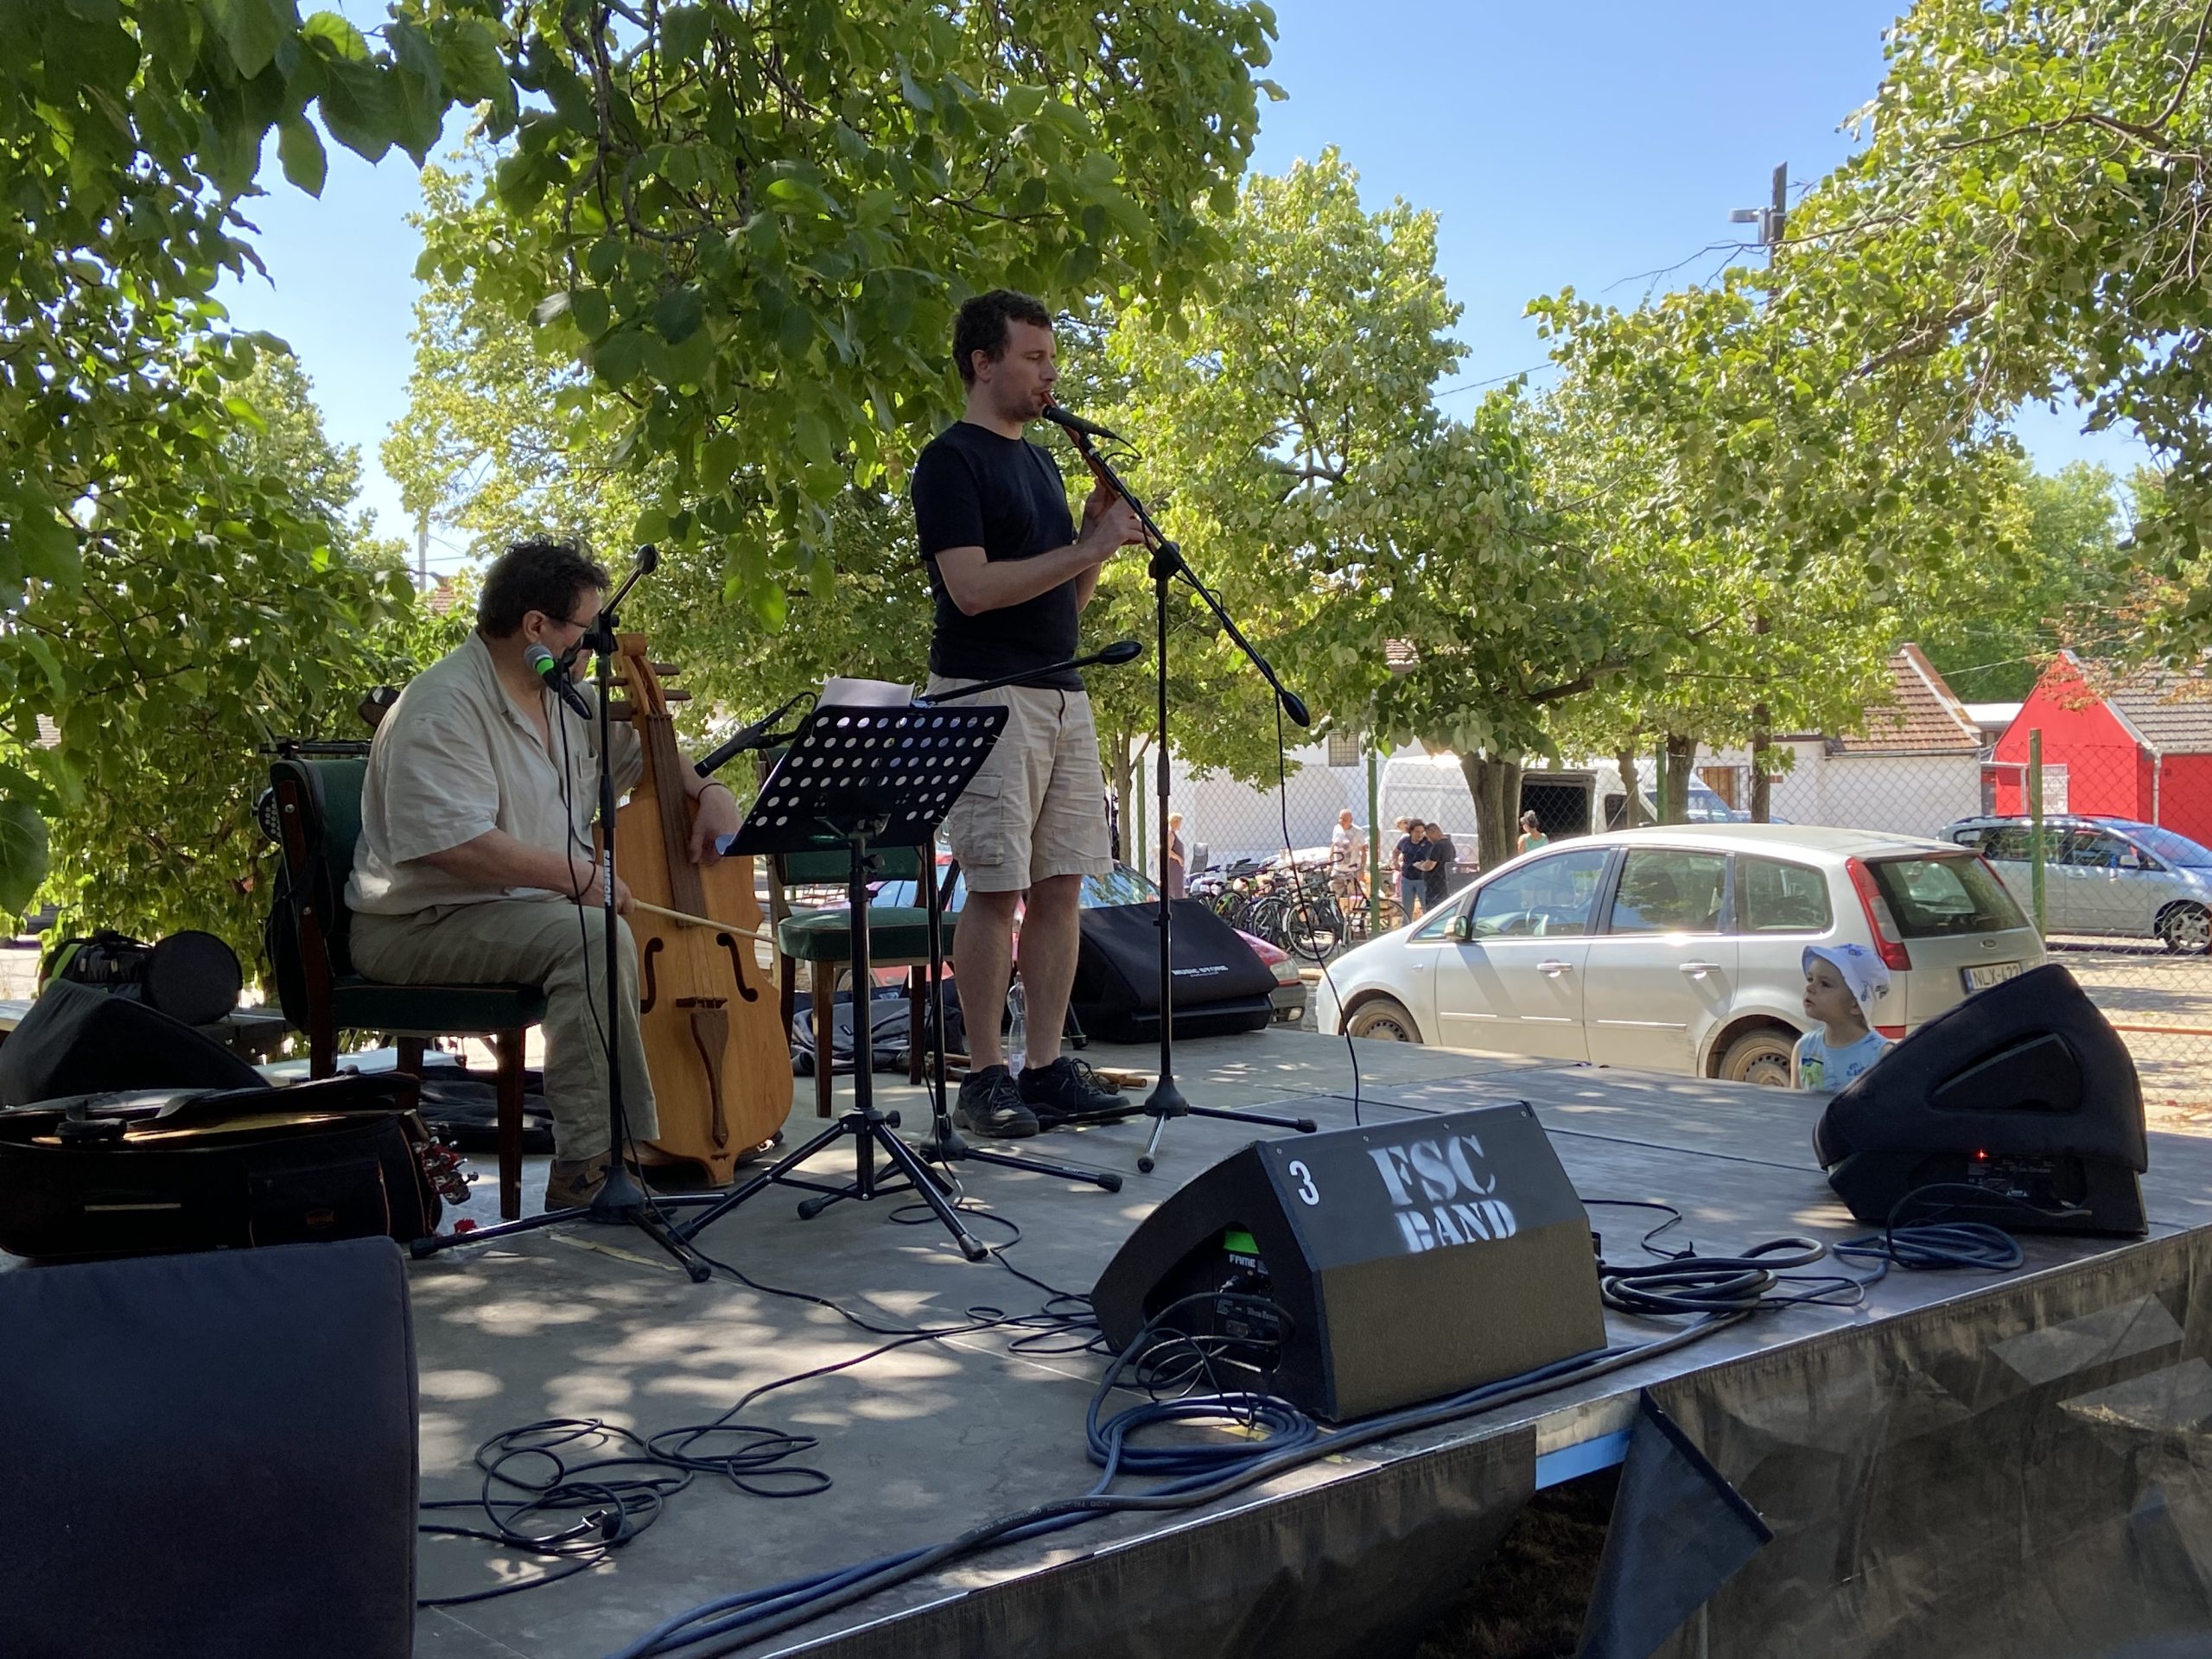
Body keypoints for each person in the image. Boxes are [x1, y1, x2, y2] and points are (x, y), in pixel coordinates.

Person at [346, 539, 744, 1210]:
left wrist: (708, 791)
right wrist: (576, 876)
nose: (591, 649)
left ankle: (628, 1149)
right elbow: (453, 845)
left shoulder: (563, 700)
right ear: (536, 626)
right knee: (592, 938)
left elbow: (648, 757)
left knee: (592, 933)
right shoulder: (442, 706)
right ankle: (588, 1165)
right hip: (417, 924)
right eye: (583, 632)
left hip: (513, 912)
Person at [911, 288, 1147, 1137]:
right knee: (996, 885)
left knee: (1061, 886)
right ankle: (984, 1076)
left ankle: (1044, 1068)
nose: (1051, 375)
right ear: (983, 362)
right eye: (1034, 358)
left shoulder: (1043, 464)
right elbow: (972, 591)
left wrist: (1093, 545)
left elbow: (1062, 607)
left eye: (1053, 359)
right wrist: (1085, 547)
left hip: (1061, 691)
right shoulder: (950, 461)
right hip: (986, 693)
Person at [1792, 943, 1892, 1090]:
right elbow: (1794, 1102)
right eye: (1810, 979)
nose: (1809, 987)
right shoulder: (1804, 1048)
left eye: (1825, 984)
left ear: (1856, 1005)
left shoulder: (1882, 1056)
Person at [1395, 820, 1430, 921]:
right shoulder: (1405, 841)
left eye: (1422, 832)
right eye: (1417, 832)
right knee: (1407, 908)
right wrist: (1395, 861)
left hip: (1423, 879)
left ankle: (1427, 925)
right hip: (1407, 878)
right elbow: (1396, 851)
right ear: (1410, 831)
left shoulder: (1427, 842)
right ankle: (1406, 925)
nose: (1420, 835)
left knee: (1426, 907)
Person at [1329, 810, 1366, 904]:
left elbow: (1363, 851)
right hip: (1338, 869)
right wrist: (1330, 861)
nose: (1342, 821)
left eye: (1345, 819)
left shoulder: (1358, 832)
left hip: (1352, 870)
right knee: (1335, 896)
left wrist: (1362, 869)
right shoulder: (1337, 829)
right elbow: (1333, 844)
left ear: (1351, 820)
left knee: (1355, 898)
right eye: (1340, 818)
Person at [1423, 822, 1457, 910]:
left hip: (1435, 882)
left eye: (1428, 835)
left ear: (1433, 832)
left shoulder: (1438, 846)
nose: (1428, 839)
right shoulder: (1449, 844)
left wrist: (1421, 865)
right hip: (1445, 880)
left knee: (1432, 907)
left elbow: (1430, 866)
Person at [1165, 812, 1187, 899]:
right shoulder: (1170, 834)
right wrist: (1179, 859)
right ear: (1175, 822)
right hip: (1173, 868)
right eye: (1180, 822)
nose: (1180, 825)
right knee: (1175, 890)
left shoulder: (1173, 833)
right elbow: (1167, 850)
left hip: (1177, 869)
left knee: (1178, 889)